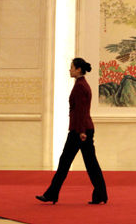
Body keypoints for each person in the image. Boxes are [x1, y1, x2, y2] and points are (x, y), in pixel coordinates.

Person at [36, 57, 108, 205]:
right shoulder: (81, 84)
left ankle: (52, 194)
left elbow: (81, 111)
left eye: (72, 67)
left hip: (80, 131)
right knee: (87, 163)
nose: (70, 70)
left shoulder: (80, 86)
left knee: (69, 163)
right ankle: (100, 194)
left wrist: (81, 132)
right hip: (81, 129)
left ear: (79, 70)